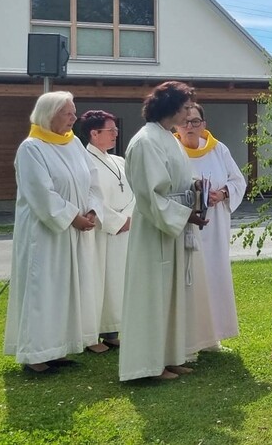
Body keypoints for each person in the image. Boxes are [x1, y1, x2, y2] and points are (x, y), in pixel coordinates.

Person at [4, 91, 104, 374]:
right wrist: (72, 217)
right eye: (67, 113)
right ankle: (36, 354)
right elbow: (40, 192)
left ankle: (58, 348)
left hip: (76, 230)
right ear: (49, 114)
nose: (74, 118)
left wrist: (92, 210)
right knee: (44, 289)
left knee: (67, 290)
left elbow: (92, 181)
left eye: (74, 112)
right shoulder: (32, 148)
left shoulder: (74, 144)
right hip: (46, 233)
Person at [119, 81, 208, 382]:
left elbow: (176, 179)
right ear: (170, 107)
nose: (189, 114)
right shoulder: (146, 141)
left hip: (172, 226)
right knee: (152, 294)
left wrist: (195, 187)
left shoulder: (168, 138)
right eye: (185, 108)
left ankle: (169, 356)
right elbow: (150, 194)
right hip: (155, 228)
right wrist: (185, 214)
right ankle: (147, 364)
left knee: (170, 295)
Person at [176, 103, 245, 347]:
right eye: (185, 122)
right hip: (185, 223)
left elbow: (238, 180)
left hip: (214, 225)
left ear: (204, 124)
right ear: (176, 125)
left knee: (213, 275)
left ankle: (212, 335)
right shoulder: (171, 150)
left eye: (195, 121)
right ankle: (187, 337)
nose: (190, 126)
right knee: (188, 277)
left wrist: (223, 193)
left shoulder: (218, 149)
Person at [79, 109, 134, 349]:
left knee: (117, 282)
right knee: (97, 281)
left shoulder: (119, 161)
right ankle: (91, 335)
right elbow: (91, 197)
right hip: (101, 232)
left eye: (116, 129)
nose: (115, 134)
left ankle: (112, 332)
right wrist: (116, 221)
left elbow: (134, 191)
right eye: (110, 130)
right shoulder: (83, 162)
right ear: (94, 133)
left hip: (126, 228)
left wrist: (130, 217)